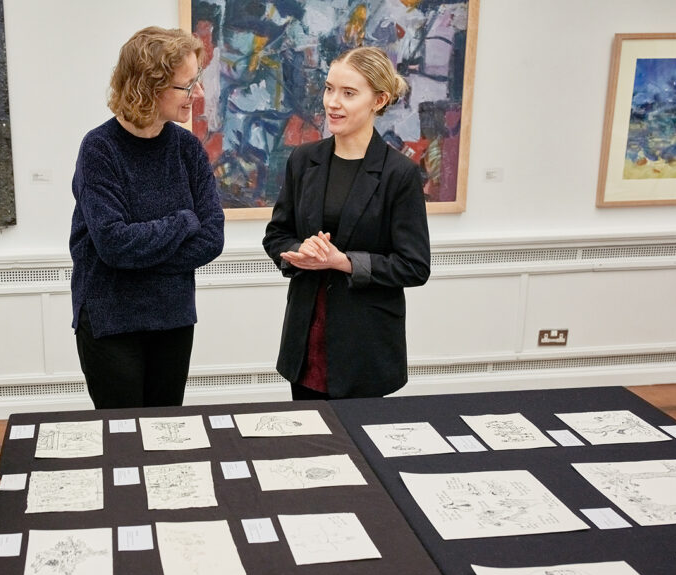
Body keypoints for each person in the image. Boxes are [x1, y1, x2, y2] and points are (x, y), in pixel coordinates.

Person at [69, 26, 225, 409]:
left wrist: (141, 256)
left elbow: (212, 239)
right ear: (148, 87)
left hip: (173, 319)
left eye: (197, 82)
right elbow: (113, 244)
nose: (198, 94)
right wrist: (183, 222)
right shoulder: (99, 149)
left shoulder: (187, 149)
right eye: (187, 85)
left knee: (167, 434)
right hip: (111, 322)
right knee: (122, 440)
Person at [262, 46, 430, 400]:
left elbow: (414, 266)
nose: (332, 102)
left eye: (348, 93)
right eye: (329, 88)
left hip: (365, 349)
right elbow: (277, 235)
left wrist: (343, 262)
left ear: (379, 100)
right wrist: (300, 249)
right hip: (306, 343)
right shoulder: (303, 160)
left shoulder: (400, 174)